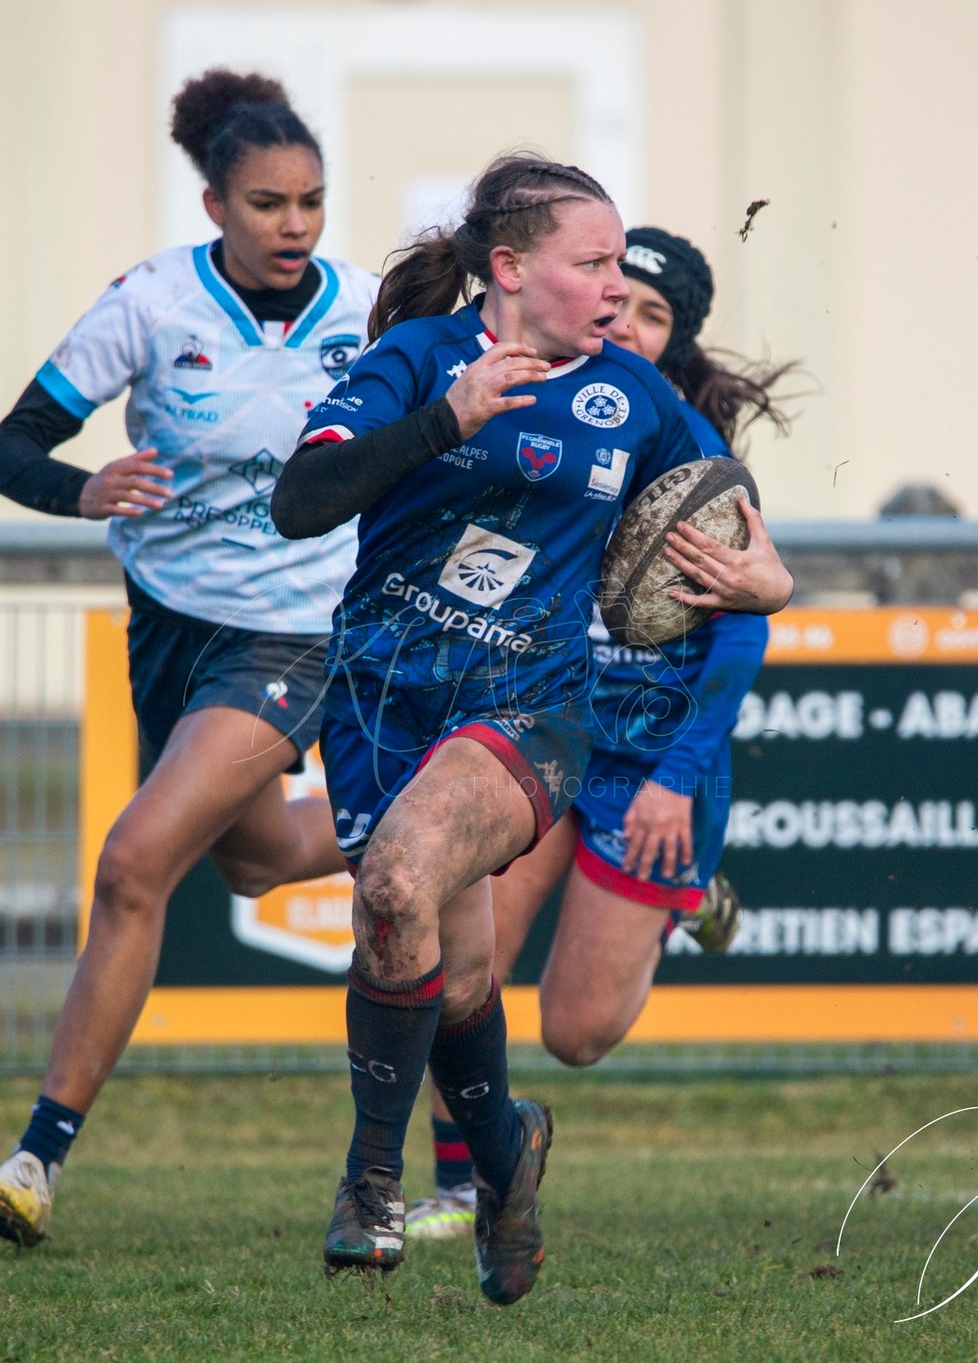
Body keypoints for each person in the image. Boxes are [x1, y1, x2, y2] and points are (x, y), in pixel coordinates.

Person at [271, 158, 794, 1304]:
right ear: (508, 269)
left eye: (619, 265)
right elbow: (298, 503)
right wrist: (437, 422)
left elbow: (736, 535)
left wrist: (767, 583)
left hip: (529, 705)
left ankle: (369, 1183)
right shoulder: (414, 361)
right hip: (380, 697)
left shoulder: (636, 398)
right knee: (445, 970)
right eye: (594, 262)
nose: (615, 287)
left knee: (399, 879)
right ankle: (507, 1158)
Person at [0, 69, 378, 1248]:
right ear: (213, 206)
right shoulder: (148, 305)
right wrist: (82, 485)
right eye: (265, 203)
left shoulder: (366, 308)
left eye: (309, 200)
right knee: (249, 863)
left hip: (296, 628)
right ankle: (441, 818)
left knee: (135, 859)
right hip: (171, 628)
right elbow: (8, 449)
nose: (292, 224)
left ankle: (35, 1159)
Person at [407, 226, 803, 1241]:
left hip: (651, 769)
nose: (624, 314)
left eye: (654, 313)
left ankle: (686, 894)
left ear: (677, 348)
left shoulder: (698, 473)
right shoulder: (544, 419)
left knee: (575, 1033)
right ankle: (462, 1184)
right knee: (466, 962)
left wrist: (677, 777)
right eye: (614, 292)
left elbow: (737, 642)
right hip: (545, 728)